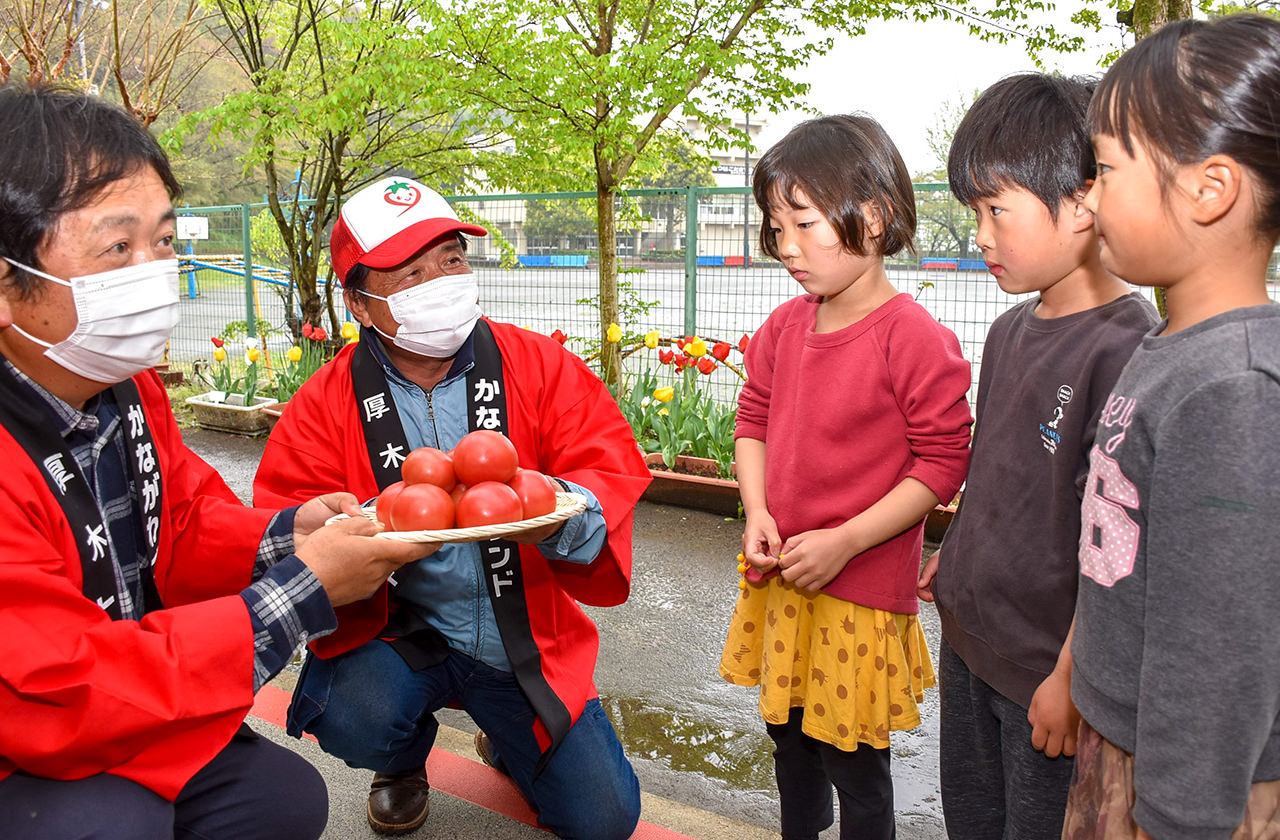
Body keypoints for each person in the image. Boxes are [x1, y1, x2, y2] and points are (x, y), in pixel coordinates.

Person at [0, 84, 434, 840]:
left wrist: (291, 535)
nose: (153, 271)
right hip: (34, 738)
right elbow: (56, 684)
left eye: (163, 242)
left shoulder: (129, 390)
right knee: (108, 823)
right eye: (117, 246)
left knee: (281, 800)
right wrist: (306, 589)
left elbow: (186, 522)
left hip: (130, 694)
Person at [253, 176, 650, 839]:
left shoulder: (540, 365)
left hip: (518, 639)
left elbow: (605, 464)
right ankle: (402, 759)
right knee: (357, 716)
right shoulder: (323, 403)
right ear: (358, 302)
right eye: (411, 272)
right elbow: (290, 519)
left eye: (452, 259)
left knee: (605, 820)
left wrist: (563, 512)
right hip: (396, 634)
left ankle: (509, 736)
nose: (442, 280)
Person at [914, 74, 1158, 839]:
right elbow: (1000, 469)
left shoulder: (1127, 347)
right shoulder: (1008, 331)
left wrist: (1070, 674)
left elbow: (1120, 534)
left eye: (995, 210)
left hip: (1046, 678)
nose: (979, 234)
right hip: (969, 645)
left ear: (1084, 204)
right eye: (973, 213)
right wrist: (958, 551)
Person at [718, 114, 973, 840]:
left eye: (803, 223)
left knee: (856, 766)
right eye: (777, 227)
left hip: (857, 593)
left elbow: (944, 459)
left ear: (876, 214)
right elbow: (753, 421)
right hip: (783, 580)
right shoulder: (783, 328)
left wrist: (845, 540)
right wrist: (758, 510)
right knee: (790, 747)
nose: (787, 248)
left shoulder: (913, 338)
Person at [1058, 15, 1280, 839]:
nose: (1090, 195)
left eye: (1107, 169)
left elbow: (1219, 659)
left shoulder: (1236, 388)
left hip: (1185, 792)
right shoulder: (1175, 347)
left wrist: (1178, 818)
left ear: (1208, 188)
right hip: (1124, 745)